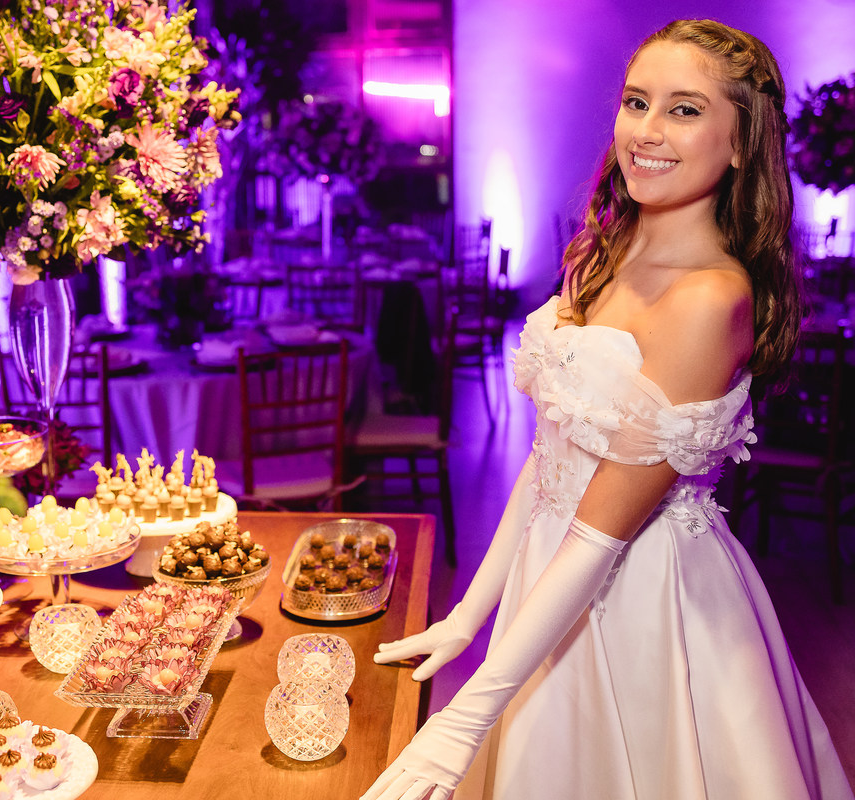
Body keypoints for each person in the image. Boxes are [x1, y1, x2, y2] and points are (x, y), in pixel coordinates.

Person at [364, 19, 855, 800]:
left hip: (642, 600)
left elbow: (599, 533)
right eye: (637, 102)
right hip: (545, 576)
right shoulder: (603, 252)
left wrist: (467, 718)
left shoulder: (711, 298)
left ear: (740, 145)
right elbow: (550, 463)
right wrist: (467, 619)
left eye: (685, 110)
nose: (647, 131)